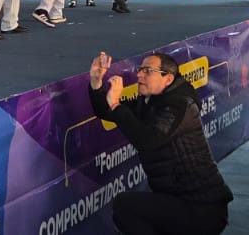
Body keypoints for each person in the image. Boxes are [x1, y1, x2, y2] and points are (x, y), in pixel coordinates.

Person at [89, 51, 232, 234]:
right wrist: (96, 83)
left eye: (148, 71)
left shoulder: (180, 105)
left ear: (168, 78)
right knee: (126, 210)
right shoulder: (150, 101)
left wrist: (116, 105)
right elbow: (106, 111)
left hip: (203, 208)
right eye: (140, 69)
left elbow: (148, 140)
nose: (139, 75)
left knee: (125, 206)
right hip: (179, 200)